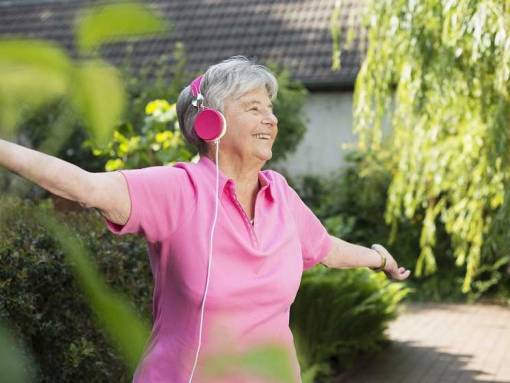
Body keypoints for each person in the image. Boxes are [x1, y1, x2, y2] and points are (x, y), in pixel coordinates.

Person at [0, 55, 411, 383]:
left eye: (270, 109)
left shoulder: (280, 195)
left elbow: (328, 249)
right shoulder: (177, 191)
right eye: (254, 108)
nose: (271, 119)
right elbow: (84, 187)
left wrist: (380, 259)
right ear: (211, 122)